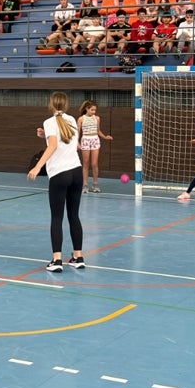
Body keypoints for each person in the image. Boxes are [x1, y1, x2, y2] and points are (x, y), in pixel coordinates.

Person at [28, 92, 84, 272]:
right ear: (66, 105)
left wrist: (37, 167)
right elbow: (70, 143)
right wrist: (45, 135)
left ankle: (57, 260)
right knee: (74, 215)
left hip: (60, 175)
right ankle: (78, 257)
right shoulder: (73, 120)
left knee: (57, 217)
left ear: (51, 105)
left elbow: (53, 146)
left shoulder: (50, 122)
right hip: (76, 172)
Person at [76, 100, 113, 193]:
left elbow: (98, 131)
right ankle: (85, 185)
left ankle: (95, 184)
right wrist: (77, 143)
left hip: (95, 140)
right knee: (85, 163)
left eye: (95, 110)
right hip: (85, 140)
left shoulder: (97, 118)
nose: (94, 112)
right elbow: (78, 132)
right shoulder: (81, 119)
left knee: (94, 164)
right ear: (87, 109)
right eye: (92, 110)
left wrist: (105, 136)